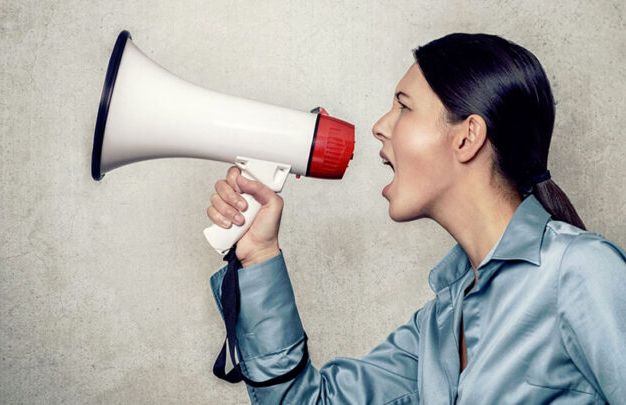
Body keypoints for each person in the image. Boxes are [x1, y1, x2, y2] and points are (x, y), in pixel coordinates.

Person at [206, 33, 626, 404]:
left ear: (467, 137)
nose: (379, 127)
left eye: (404, 107)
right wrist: (259, 255)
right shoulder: (439, 325)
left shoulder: (581, 271)